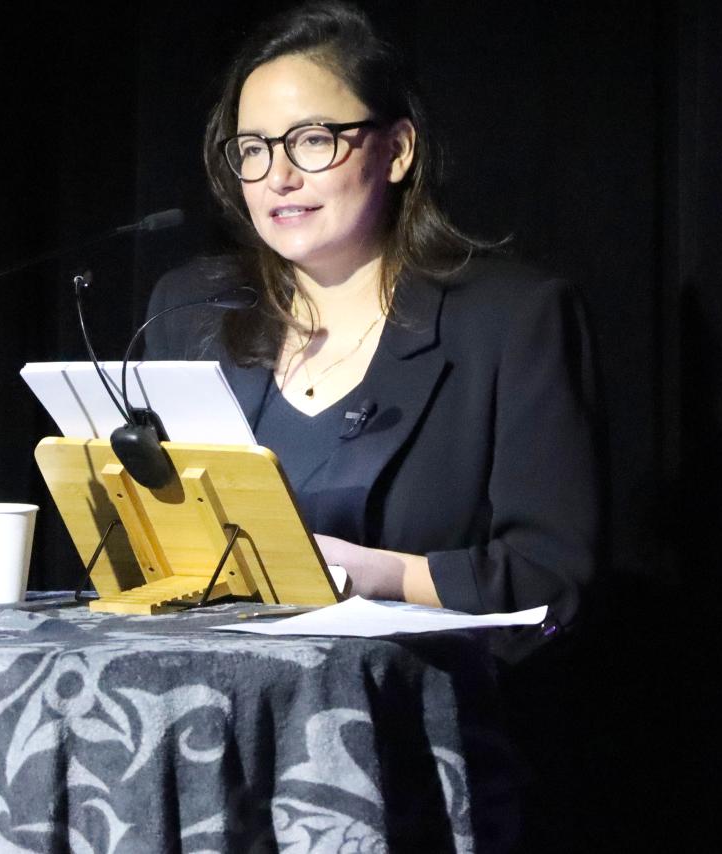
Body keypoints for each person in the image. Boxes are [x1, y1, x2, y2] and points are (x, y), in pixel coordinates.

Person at [143, 0, 602, 662]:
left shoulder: (512, 320)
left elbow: (554, 582)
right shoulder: (189, 314)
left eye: (312, 140)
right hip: (217, 722)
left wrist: (376, 576)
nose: (279, 174)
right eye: (253, 148)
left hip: (432, 727)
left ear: (396, 150)